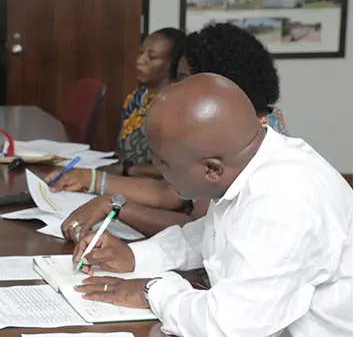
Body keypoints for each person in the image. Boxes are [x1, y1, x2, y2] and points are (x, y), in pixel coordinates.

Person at [71, 73, 352, 337]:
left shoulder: (285, 200)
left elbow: (228, 326)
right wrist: (134, 257)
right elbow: (214, 234)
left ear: (212, 170)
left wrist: (152, 291)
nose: (156, 169)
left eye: (163, 163)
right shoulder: (250, 162)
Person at [47, 23, 290, 238]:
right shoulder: (245, 121)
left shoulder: (241, 137)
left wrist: (115, 206)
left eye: (183, 79)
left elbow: (198, 229)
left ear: (220, 83)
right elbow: (170, 192)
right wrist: (92, 180)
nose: (174, 87)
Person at [108, 27, 186, 179]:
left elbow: (176, 168)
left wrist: (127, 170)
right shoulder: (135, 99)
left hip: (156, 189)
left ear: (172, 63)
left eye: (152, 57)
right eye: (140, 52)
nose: (140, 61)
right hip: (123, 181)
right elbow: (120, 153)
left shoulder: (177, 105)